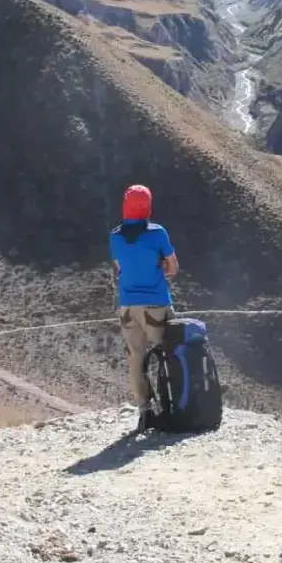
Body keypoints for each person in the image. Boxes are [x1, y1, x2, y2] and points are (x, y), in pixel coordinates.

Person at [110, 184, 179, 429]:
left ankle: (145, 411)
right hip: (156, 304)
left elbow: (120, 268)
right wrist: (159, 265)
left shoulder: (115, 236)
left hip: (128, 307)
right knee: (168, 353)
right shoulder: (158, 233)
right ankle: (173, 405)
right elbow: (173, 268)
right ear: (148, 206)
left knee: (136, 359)